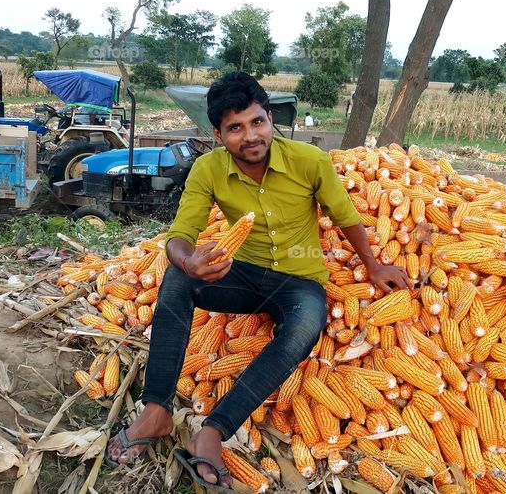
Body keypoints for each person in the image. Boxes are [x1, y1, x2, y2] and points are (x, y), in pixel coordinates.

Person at [105, 71, 410, 489]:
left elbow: (346, 217)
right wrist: (189, 261)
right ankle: (156, 410)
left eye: (257, 122)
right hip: (242, 274)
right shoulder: (207, 170)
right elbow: (180, 237)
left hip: (300, 280)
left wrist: (373, 265)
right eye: (235, 128)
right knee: (176, 280)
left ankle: (213, 431)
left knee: (306, 324)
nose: (250, 136)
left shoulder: (310, 161)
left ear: (270, 119)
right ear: (217, 134)